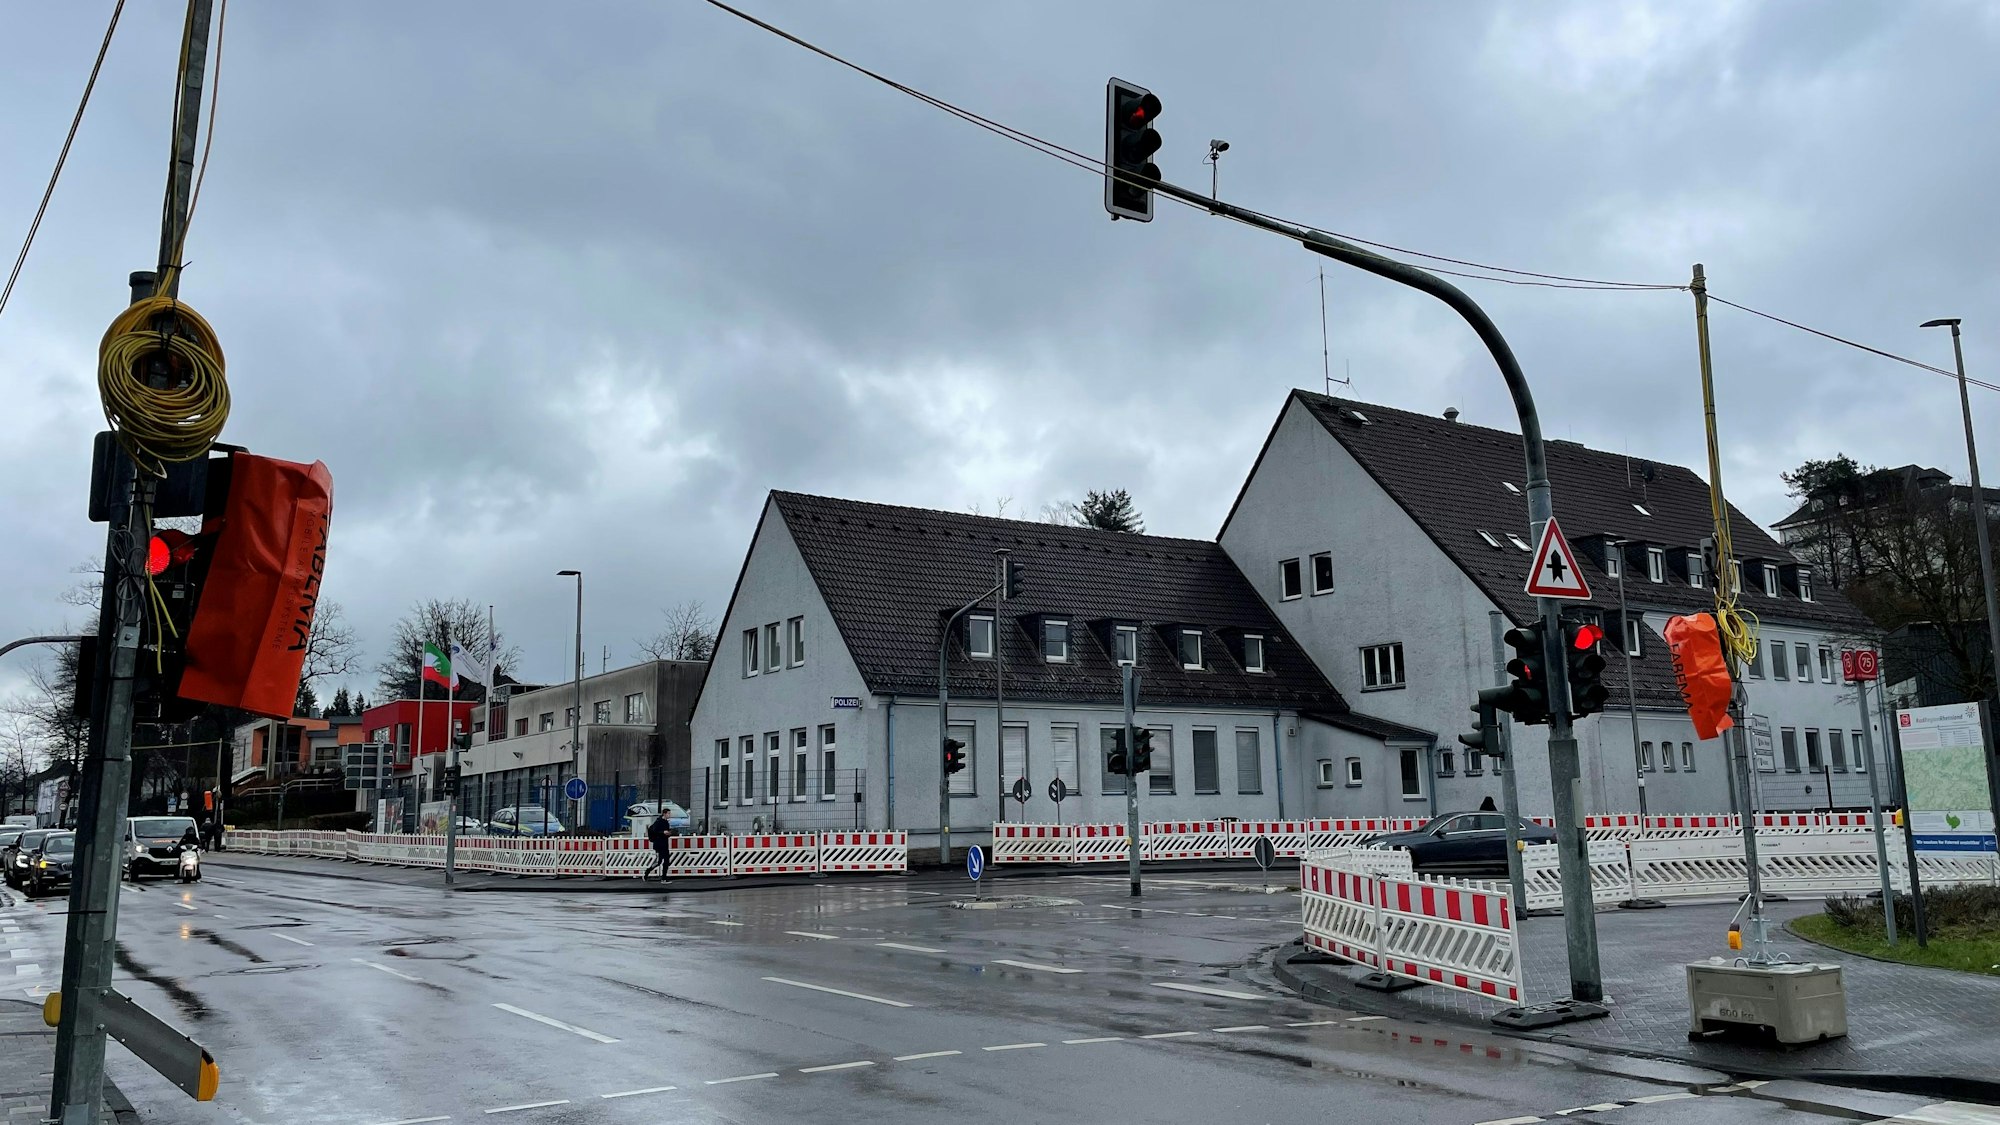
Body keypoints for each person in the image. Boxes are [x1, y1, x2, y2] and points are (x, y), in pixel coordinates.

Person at [646, 810, 674, 880]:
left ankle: (664, 877)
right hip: (658, 844)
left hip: (665, 844)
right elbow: (655, 831)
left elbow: (667, 832)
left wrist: (669, 833)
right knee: (659, 861)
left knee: (666, 861)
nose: (670, 815)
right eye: (668, 813)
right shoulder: (658, 821)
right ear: (664, 814)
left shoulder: (666, 822)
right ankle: (648, 871)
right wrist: (663, 832)